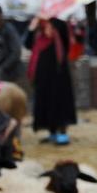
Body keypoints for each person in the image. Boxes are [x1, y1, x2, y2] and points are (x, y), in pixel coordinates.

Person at [27, 15, 76, 145]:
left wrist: (54, 29)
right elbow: (27, 44)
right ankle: (52, 132)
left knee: (60, 104)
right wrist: (32, 27)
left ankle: (62, 134)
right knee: (46, 104)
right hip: (43, 78)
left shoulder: (60, 26)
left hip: (59, 76)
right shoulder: (38, 32)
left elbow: (66, 44)